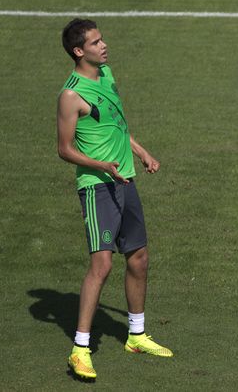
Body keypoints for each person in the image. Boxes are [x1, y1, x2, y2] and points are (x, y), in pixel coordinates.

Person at [57, 19, 172, 380]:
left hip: (126, 179)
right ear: (79, 51)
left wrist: (141, 152)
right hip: (97, 185)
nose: (103, 45)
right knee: (102, 266)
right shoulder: (71, 95)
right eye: (95, 42)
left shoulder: (106, 74)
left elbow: (117, 125)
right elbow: (64, 149)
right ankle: (80, 348)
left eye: (102, 38)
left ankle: (136, 335)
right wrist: (101, 165)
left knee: (138, 257)